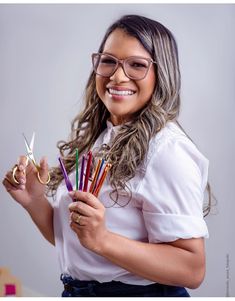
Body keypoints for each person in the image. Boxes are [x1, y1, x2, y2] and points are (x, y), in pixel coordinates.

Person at [2, 14, 211, 297]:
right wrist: (34, 201)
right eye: (108, 61)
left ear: (161, 75)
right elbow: (80, 244)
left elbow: (192, 269)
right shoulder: (100, 138)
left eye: (137, 65)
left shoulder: (167, 151)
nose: (117, 75)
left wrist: (103, 239)